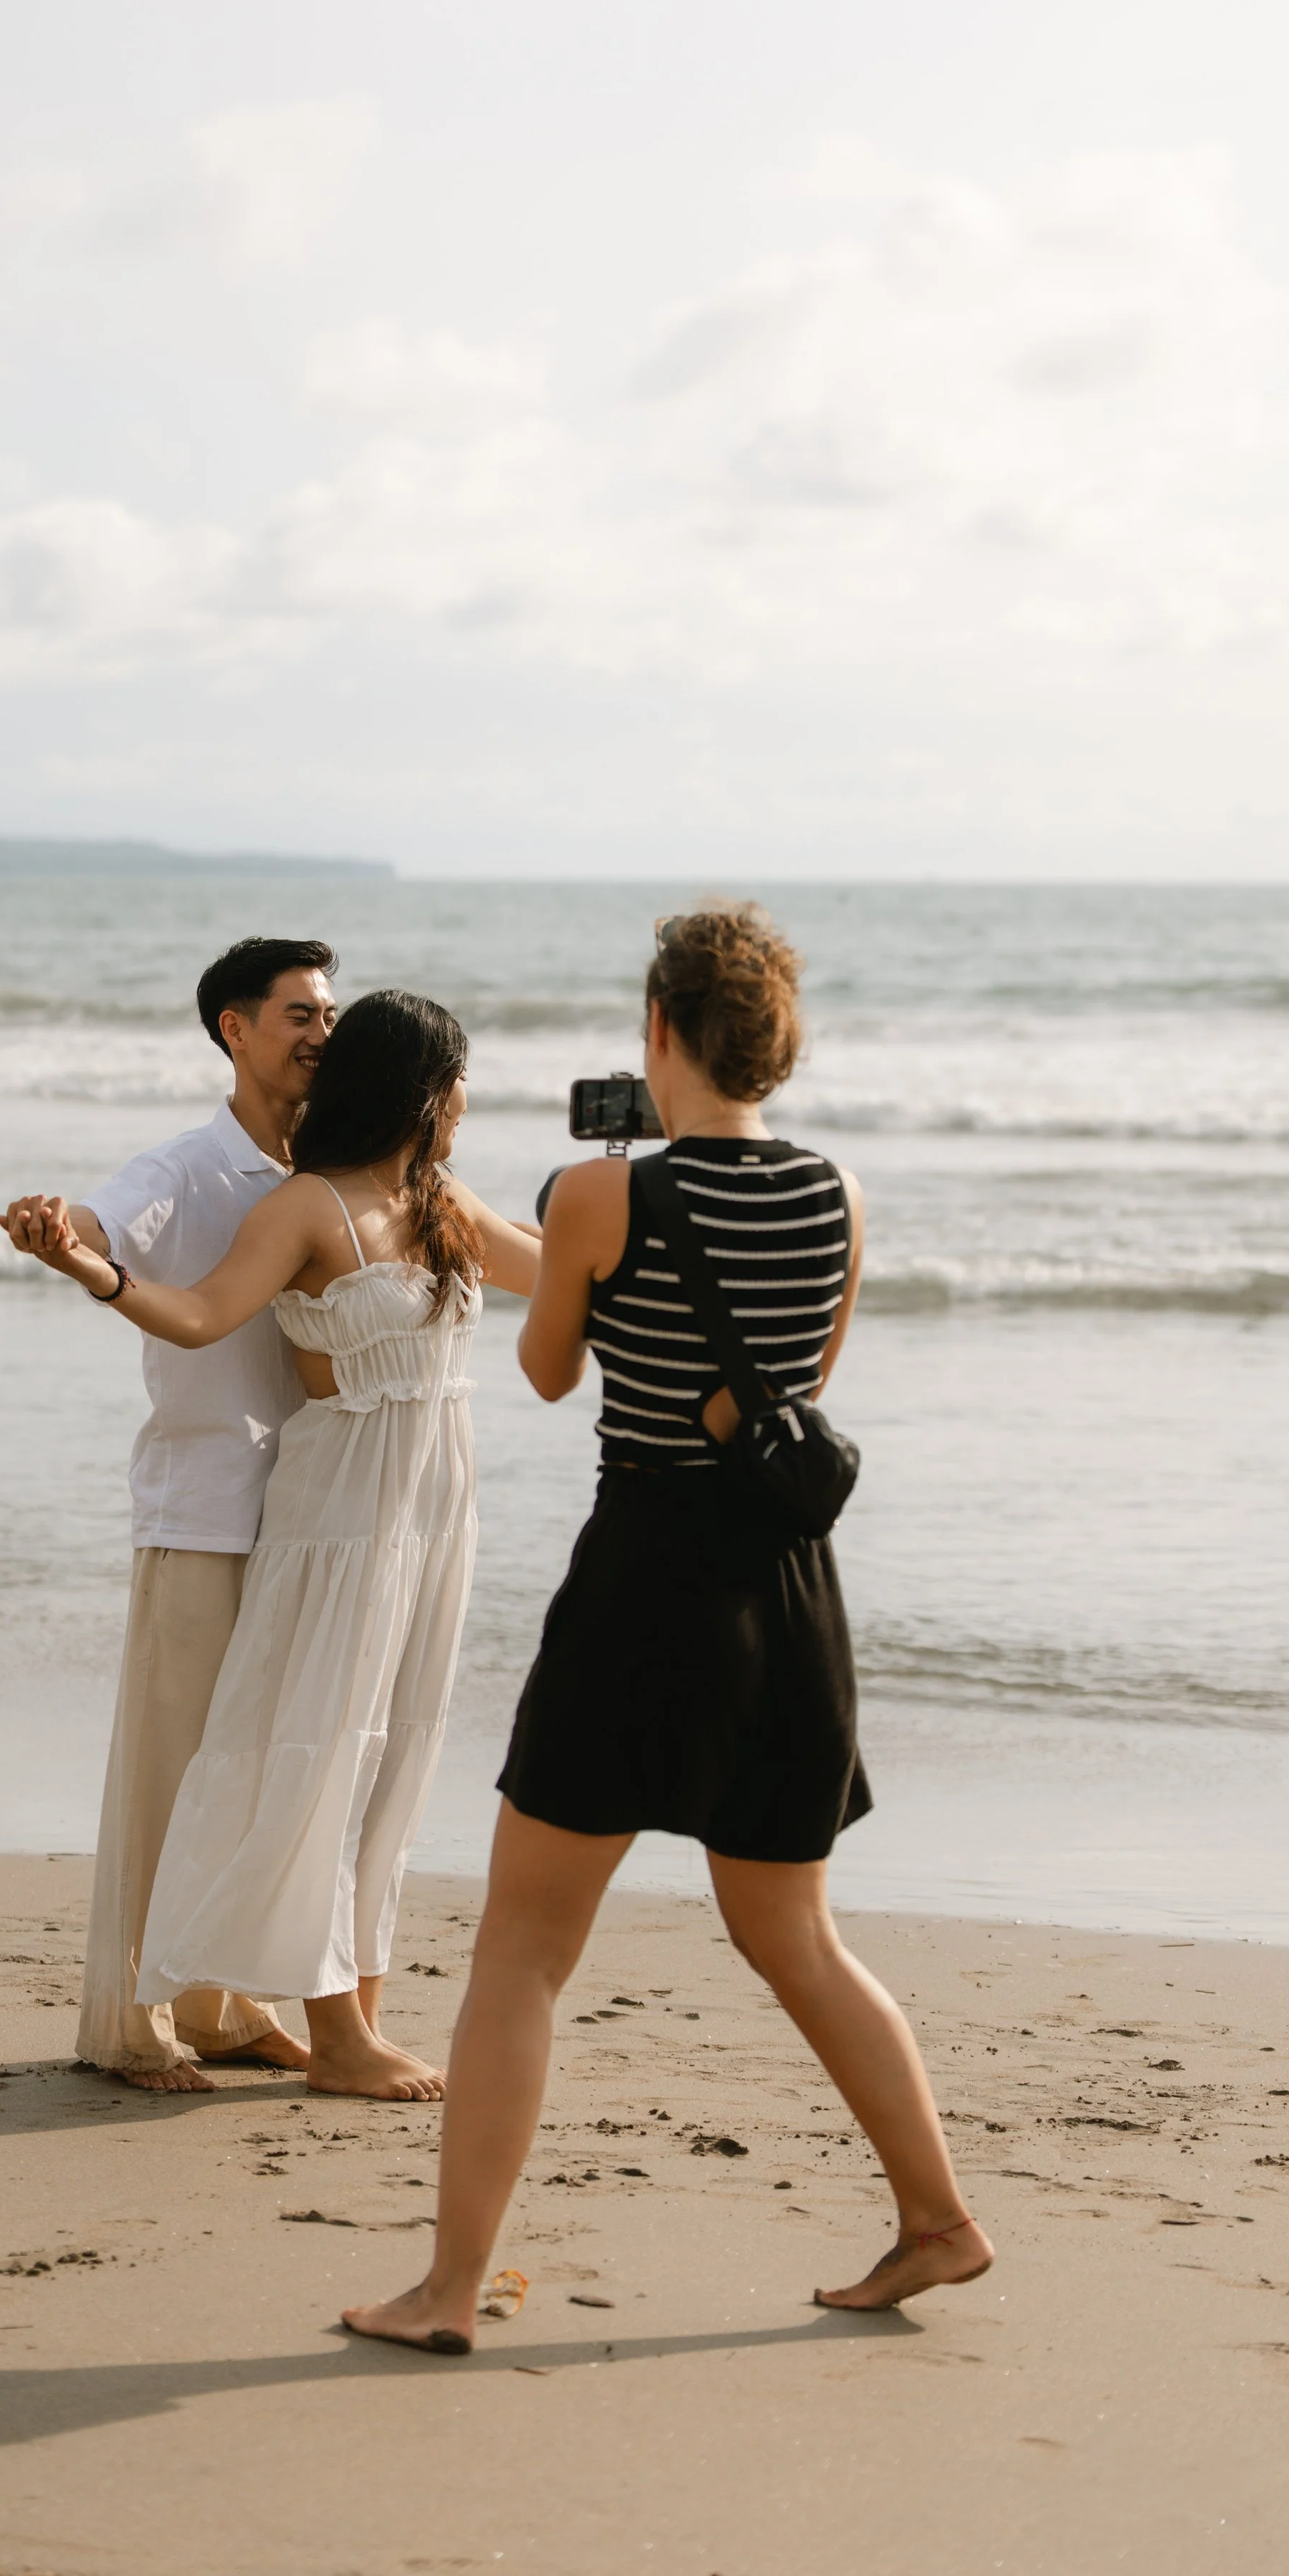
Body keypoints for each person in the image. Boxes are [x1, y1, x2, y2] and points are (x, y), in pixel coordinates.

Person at [344, 905, 992, 2348]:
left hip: (642, 1585)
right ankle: (936, 2218)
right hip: (784, 1592)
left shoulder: (595, 1191)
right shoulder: (836, 1192)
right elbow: (795, 1382)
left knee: (521, 1948)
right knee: (797, 1938)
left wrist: (575, 1231)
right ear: (772, 1043)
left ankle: (449, 2288)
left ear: (655, 1034)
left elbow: (548, 1370)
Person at [5, 990, 541, 2100]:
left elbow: (552, 1268)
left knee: (396, 1758)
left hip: (436, 1507)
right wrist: (90, 1270)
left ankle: (364, 2022)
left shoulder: (442, 1200)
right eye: (459, 1084)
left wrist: (638, 1187)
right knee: (324, 1758)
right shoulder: (306, 1209)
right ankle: (331, 2031)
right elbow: (202, 1314)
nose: (468, 1104)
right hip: (340, 1512)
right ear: (424, 1091)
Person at [0, 935, 336, 2095]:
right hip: (201, 1509)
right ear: (235, 1030)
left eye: (328, 1013)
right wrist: (64, 1236)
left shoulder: (329, 1174)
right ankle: (135, 2018)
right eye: (298, 1013)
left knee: (254, 1772)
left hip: (310, 1517)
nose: (319, 1033)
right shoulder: (186, 1166)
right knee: (170, 1771)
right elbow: (101, 1226)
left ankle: (224, 2000)